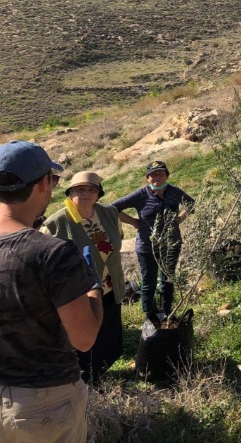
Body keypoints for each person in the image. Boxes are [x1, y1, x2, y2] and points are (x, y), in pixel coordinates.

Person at [0, 141, 102, 443]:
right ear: (44, 184)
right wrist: (93, 287)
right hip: (43, 405)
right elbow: (84, 339)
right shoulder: (51, 253)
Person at [43, 171, 125, 386]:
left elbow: (117, 243)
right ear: (70, 193)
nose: (85, 193)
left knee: (108, 337)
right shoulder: (56, 224)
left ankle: (99, 375)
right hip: (79, 295)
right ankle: (84, 384)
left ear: (99, 194)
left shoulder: (109, 213)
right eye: (79, 189)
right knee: (84, 343)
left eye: (91, 189)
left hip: (110, 288)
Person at [111, 160, 195, 327]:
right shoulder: (141, 195)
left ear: (167, 175)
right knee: (148, 280)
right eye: (153, 174)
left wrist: (180, 219)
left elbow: (191, 204)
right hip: (147, 246)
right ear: (147, 178)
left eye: (160, 173)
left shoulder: (174, 192)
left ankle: (167, 311)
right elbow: (114, 207)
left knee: (168, 279)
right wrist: (134, 222)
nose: (157, 176)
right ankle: (149, 313)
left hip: (171, 244)